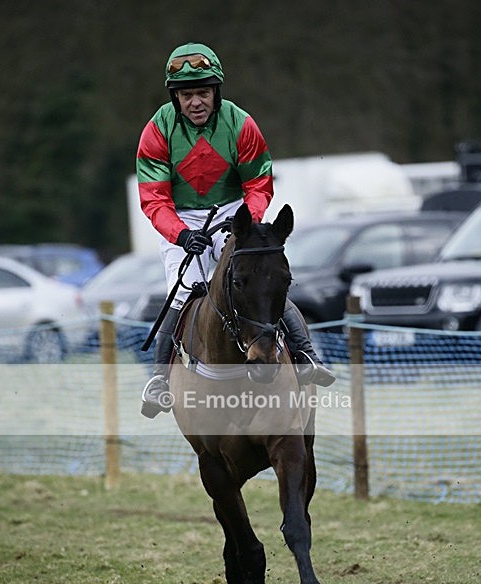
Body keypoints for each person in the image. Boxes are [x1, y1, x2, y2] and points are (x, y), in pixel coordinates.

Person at [136, 42, 334, 418]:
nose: (196, 102)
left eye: (203, 93)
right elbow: (154, 199)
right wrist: (180, 235)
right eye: (187, 94)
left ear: (216, 92)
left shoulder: (241, 123)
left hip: (234, 215)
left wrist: (246, 217)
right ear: (175, 97)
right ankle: (160, 378)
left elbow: (259, 183)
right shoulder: (156, 131)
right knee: (182, 294)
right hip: (182, 219)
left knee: (259, 283)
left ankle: (306, 356)